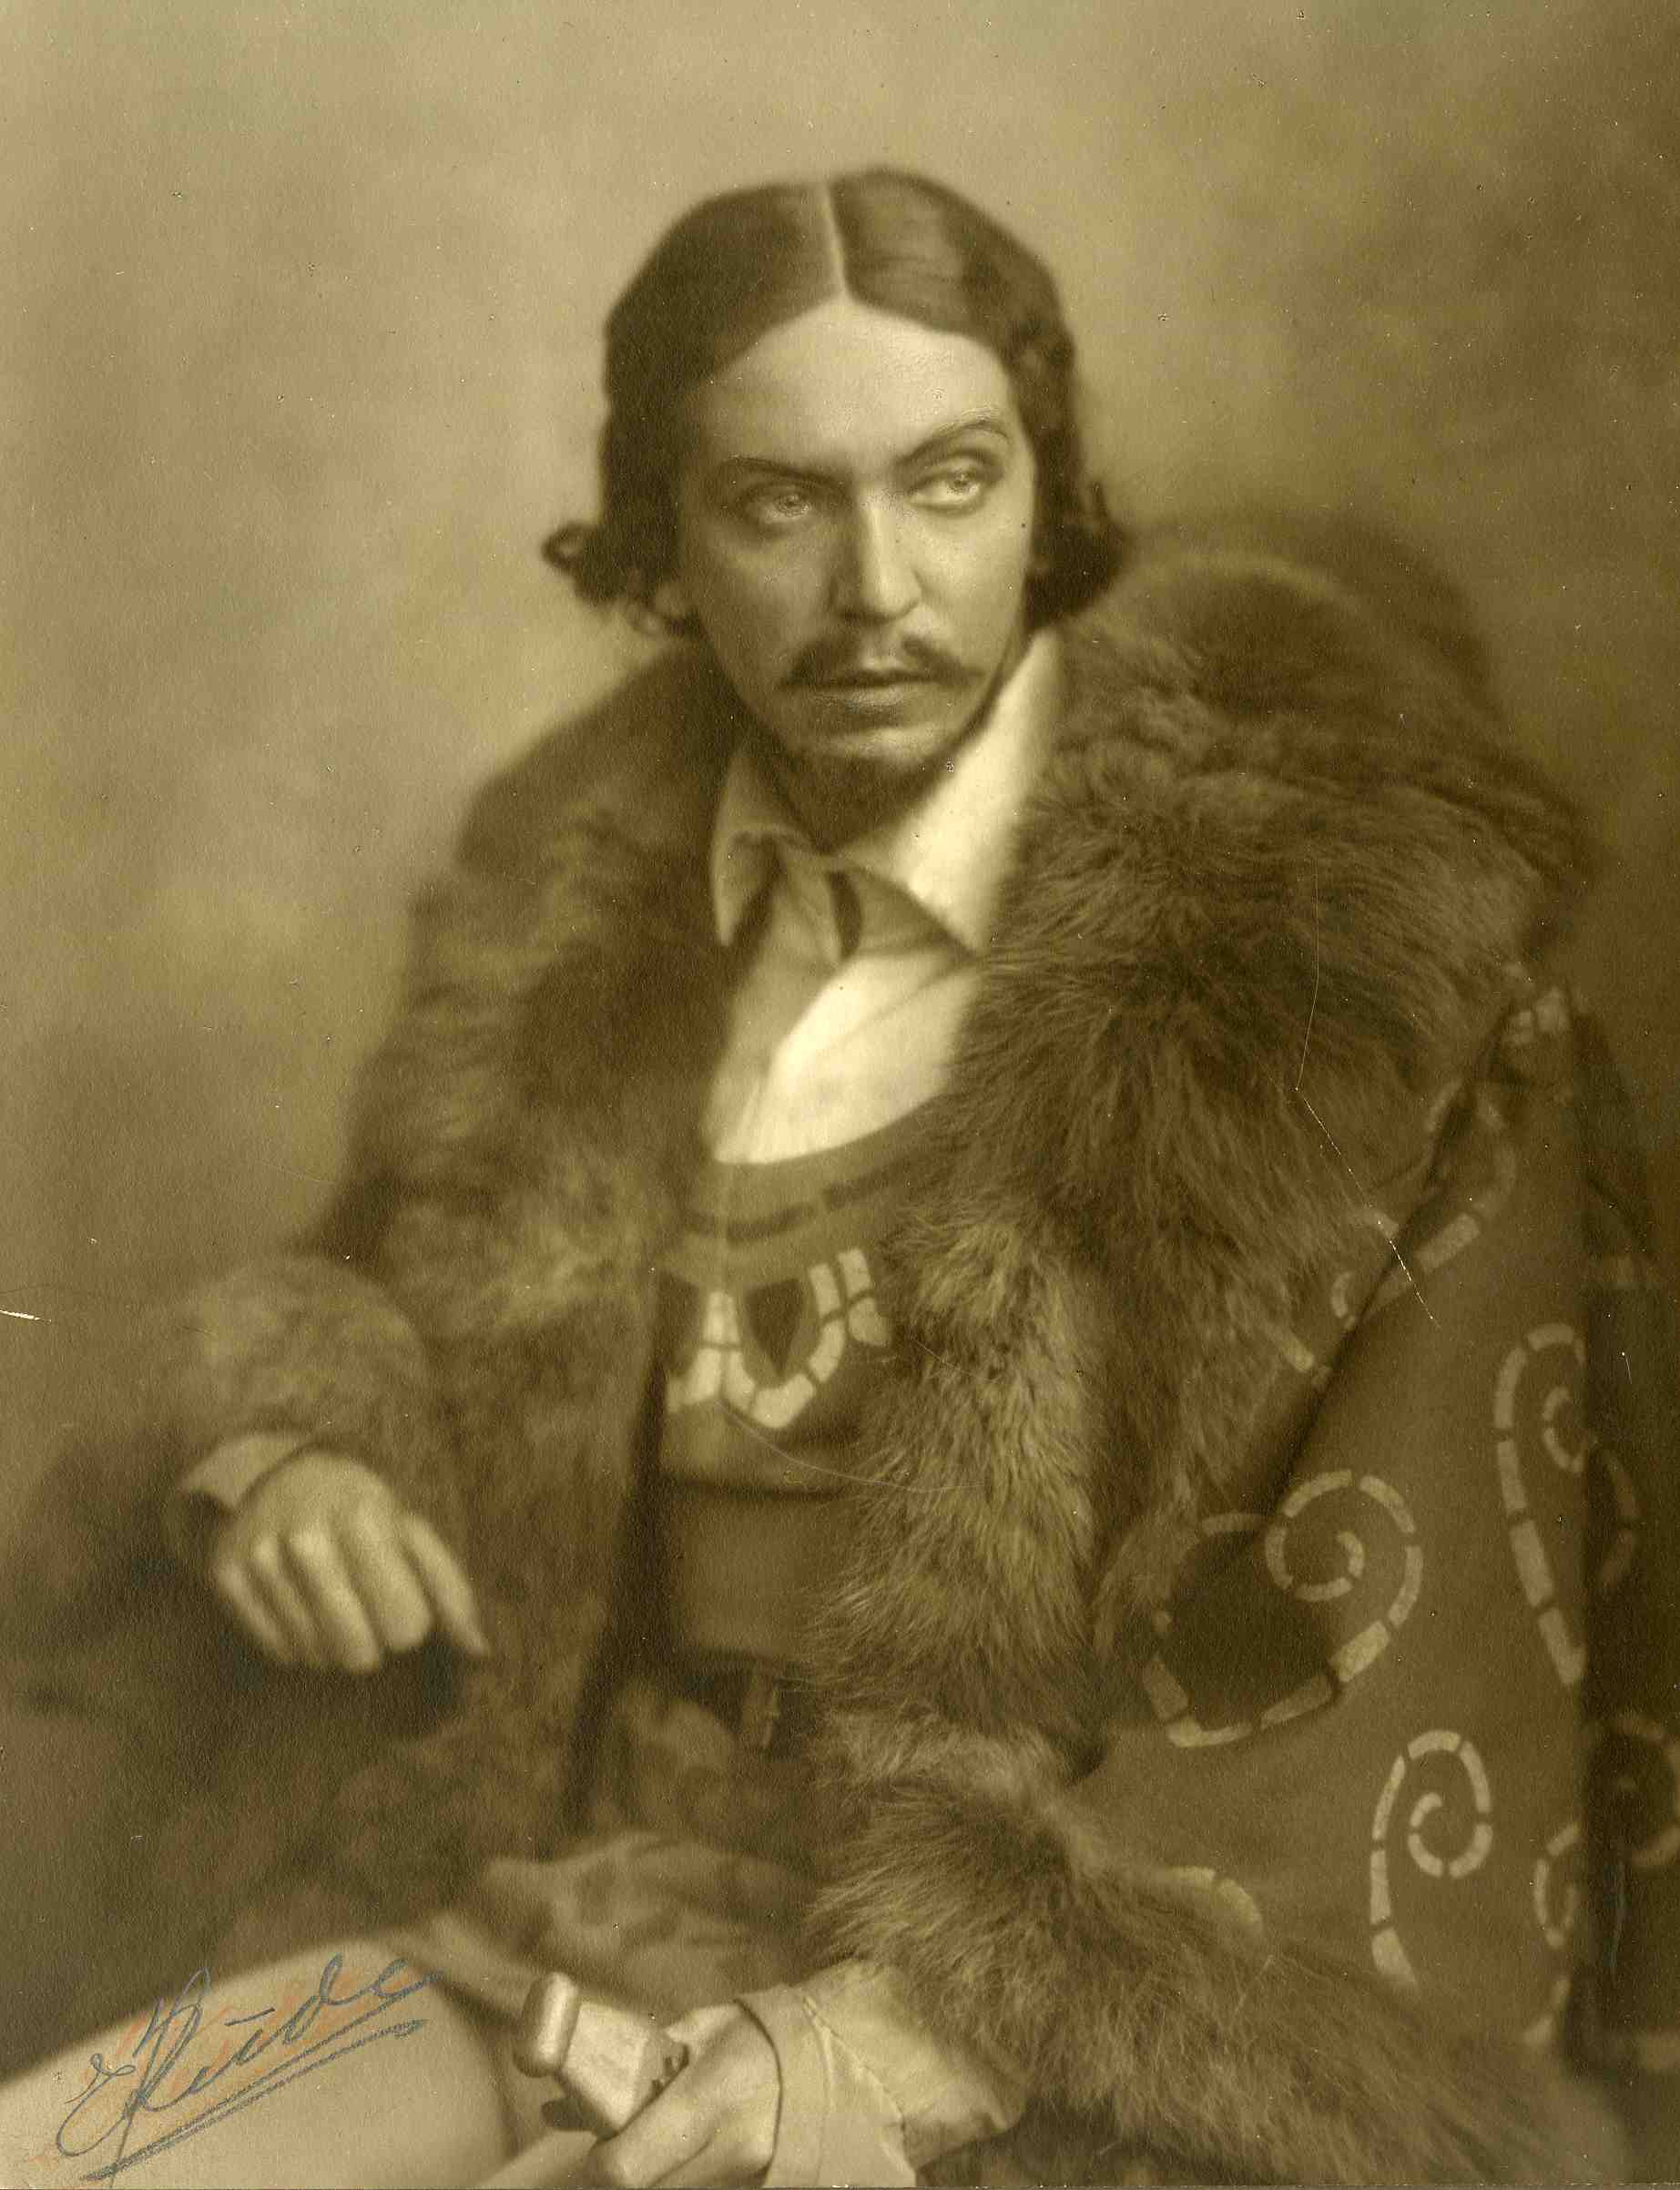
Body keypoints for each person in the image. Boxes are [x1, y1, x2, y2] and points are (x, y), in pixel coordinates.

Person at [1, 167, 1675, 2186]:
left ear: (1041, 495)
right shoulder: (575, 907)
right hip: (565, 1909)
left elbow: (1401, 1645)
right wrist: (291, 1451)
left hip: (1012, 2007)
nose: (875, 585)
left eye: (948, 482)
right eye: (777, 502)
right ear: (659, 538)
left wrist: (915, 2033)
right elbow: (377, 1298)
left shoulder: (1330, 966)